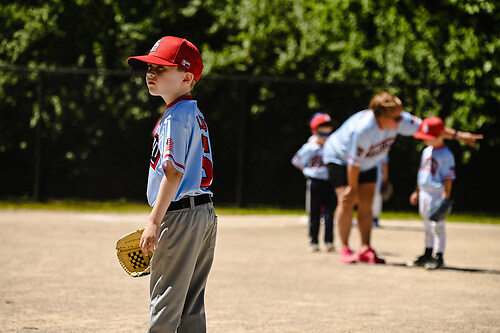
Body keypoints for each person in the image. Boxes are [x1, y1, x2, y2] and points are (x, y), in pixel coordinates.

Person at [322, 91, 483, 264]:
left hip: (368, 161)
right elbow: (354, 163)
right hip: (340, 158)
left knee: (367, 201)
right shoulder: (364, 129)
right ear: (381, 116)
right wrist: (352, 188)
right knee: (347, 200)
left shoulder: (400, 120)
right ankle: (345, 248)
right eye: (396, 118)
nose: (402, 120)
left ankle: (365, 248)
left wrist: (458, 136)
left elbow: (430, 129)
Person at [127, 36, 217, 333]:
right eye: (149, 67)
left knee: (165, 301)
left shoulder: (175, 117)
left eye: (161, 68)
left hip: (179, 216)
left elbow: (174, 173)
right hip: (203, 214)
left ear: (187, 77)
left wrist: (154, 221)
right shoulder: (194, 113)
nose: (150, 73)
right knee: (191, 305)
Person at [408, 117, 455, 270]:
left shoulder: (446, 154)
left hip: (437, 192)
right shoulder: (426, 151)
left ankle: (439, 256)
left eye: (430, 138)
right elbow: (422, 173)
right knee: (427, 225)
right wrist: (416, 191)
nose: (426, 141)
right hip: (424, 191)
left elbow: (449, 178)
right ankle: (428, 253)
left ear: (441, 135)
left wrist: (445, 197)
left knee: (438, 226)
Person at [292, 113, 337, 252]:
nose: (326, 136)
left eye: (329, 133)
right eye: (322, 133)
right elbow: (297, 161)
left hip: (330, 182)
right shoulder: (309, 147)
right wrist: (306, 171)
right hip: (315, 182)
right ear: (315, 132)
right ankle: (314, 241)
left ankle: (329, 241)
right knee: (314, 213)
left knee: (330, 214)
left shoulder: (334, 146)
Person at [372, 155, 389, 227]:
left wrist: (384, 180)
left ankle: (373, 219)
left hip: (376, 179)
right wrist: (385, 181)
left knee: (374, 199)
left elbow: (385, 166)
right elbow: (385, 166)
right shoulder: (383, 149)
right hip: (376, 179)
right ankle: (374, 219)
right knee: (376, 200)